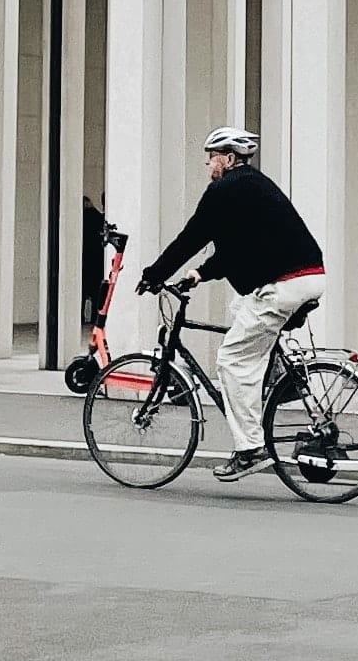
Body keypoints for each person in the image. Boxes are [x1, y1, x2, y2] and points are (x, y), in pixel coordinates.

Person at [138, 126, 327, 482]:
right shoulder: (256, 185)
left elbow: (192, 236)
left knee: (230, 360)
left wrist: (153, 274)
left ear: (227, 158)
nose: (208, 166)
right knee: (240, 309)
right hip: (308, 276)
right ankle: (275, 376)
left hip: (283, 284)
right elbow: (238, 246)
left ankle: (249, 449)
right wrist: (198, 275)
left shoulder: (223, 190)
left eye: (211, 158)